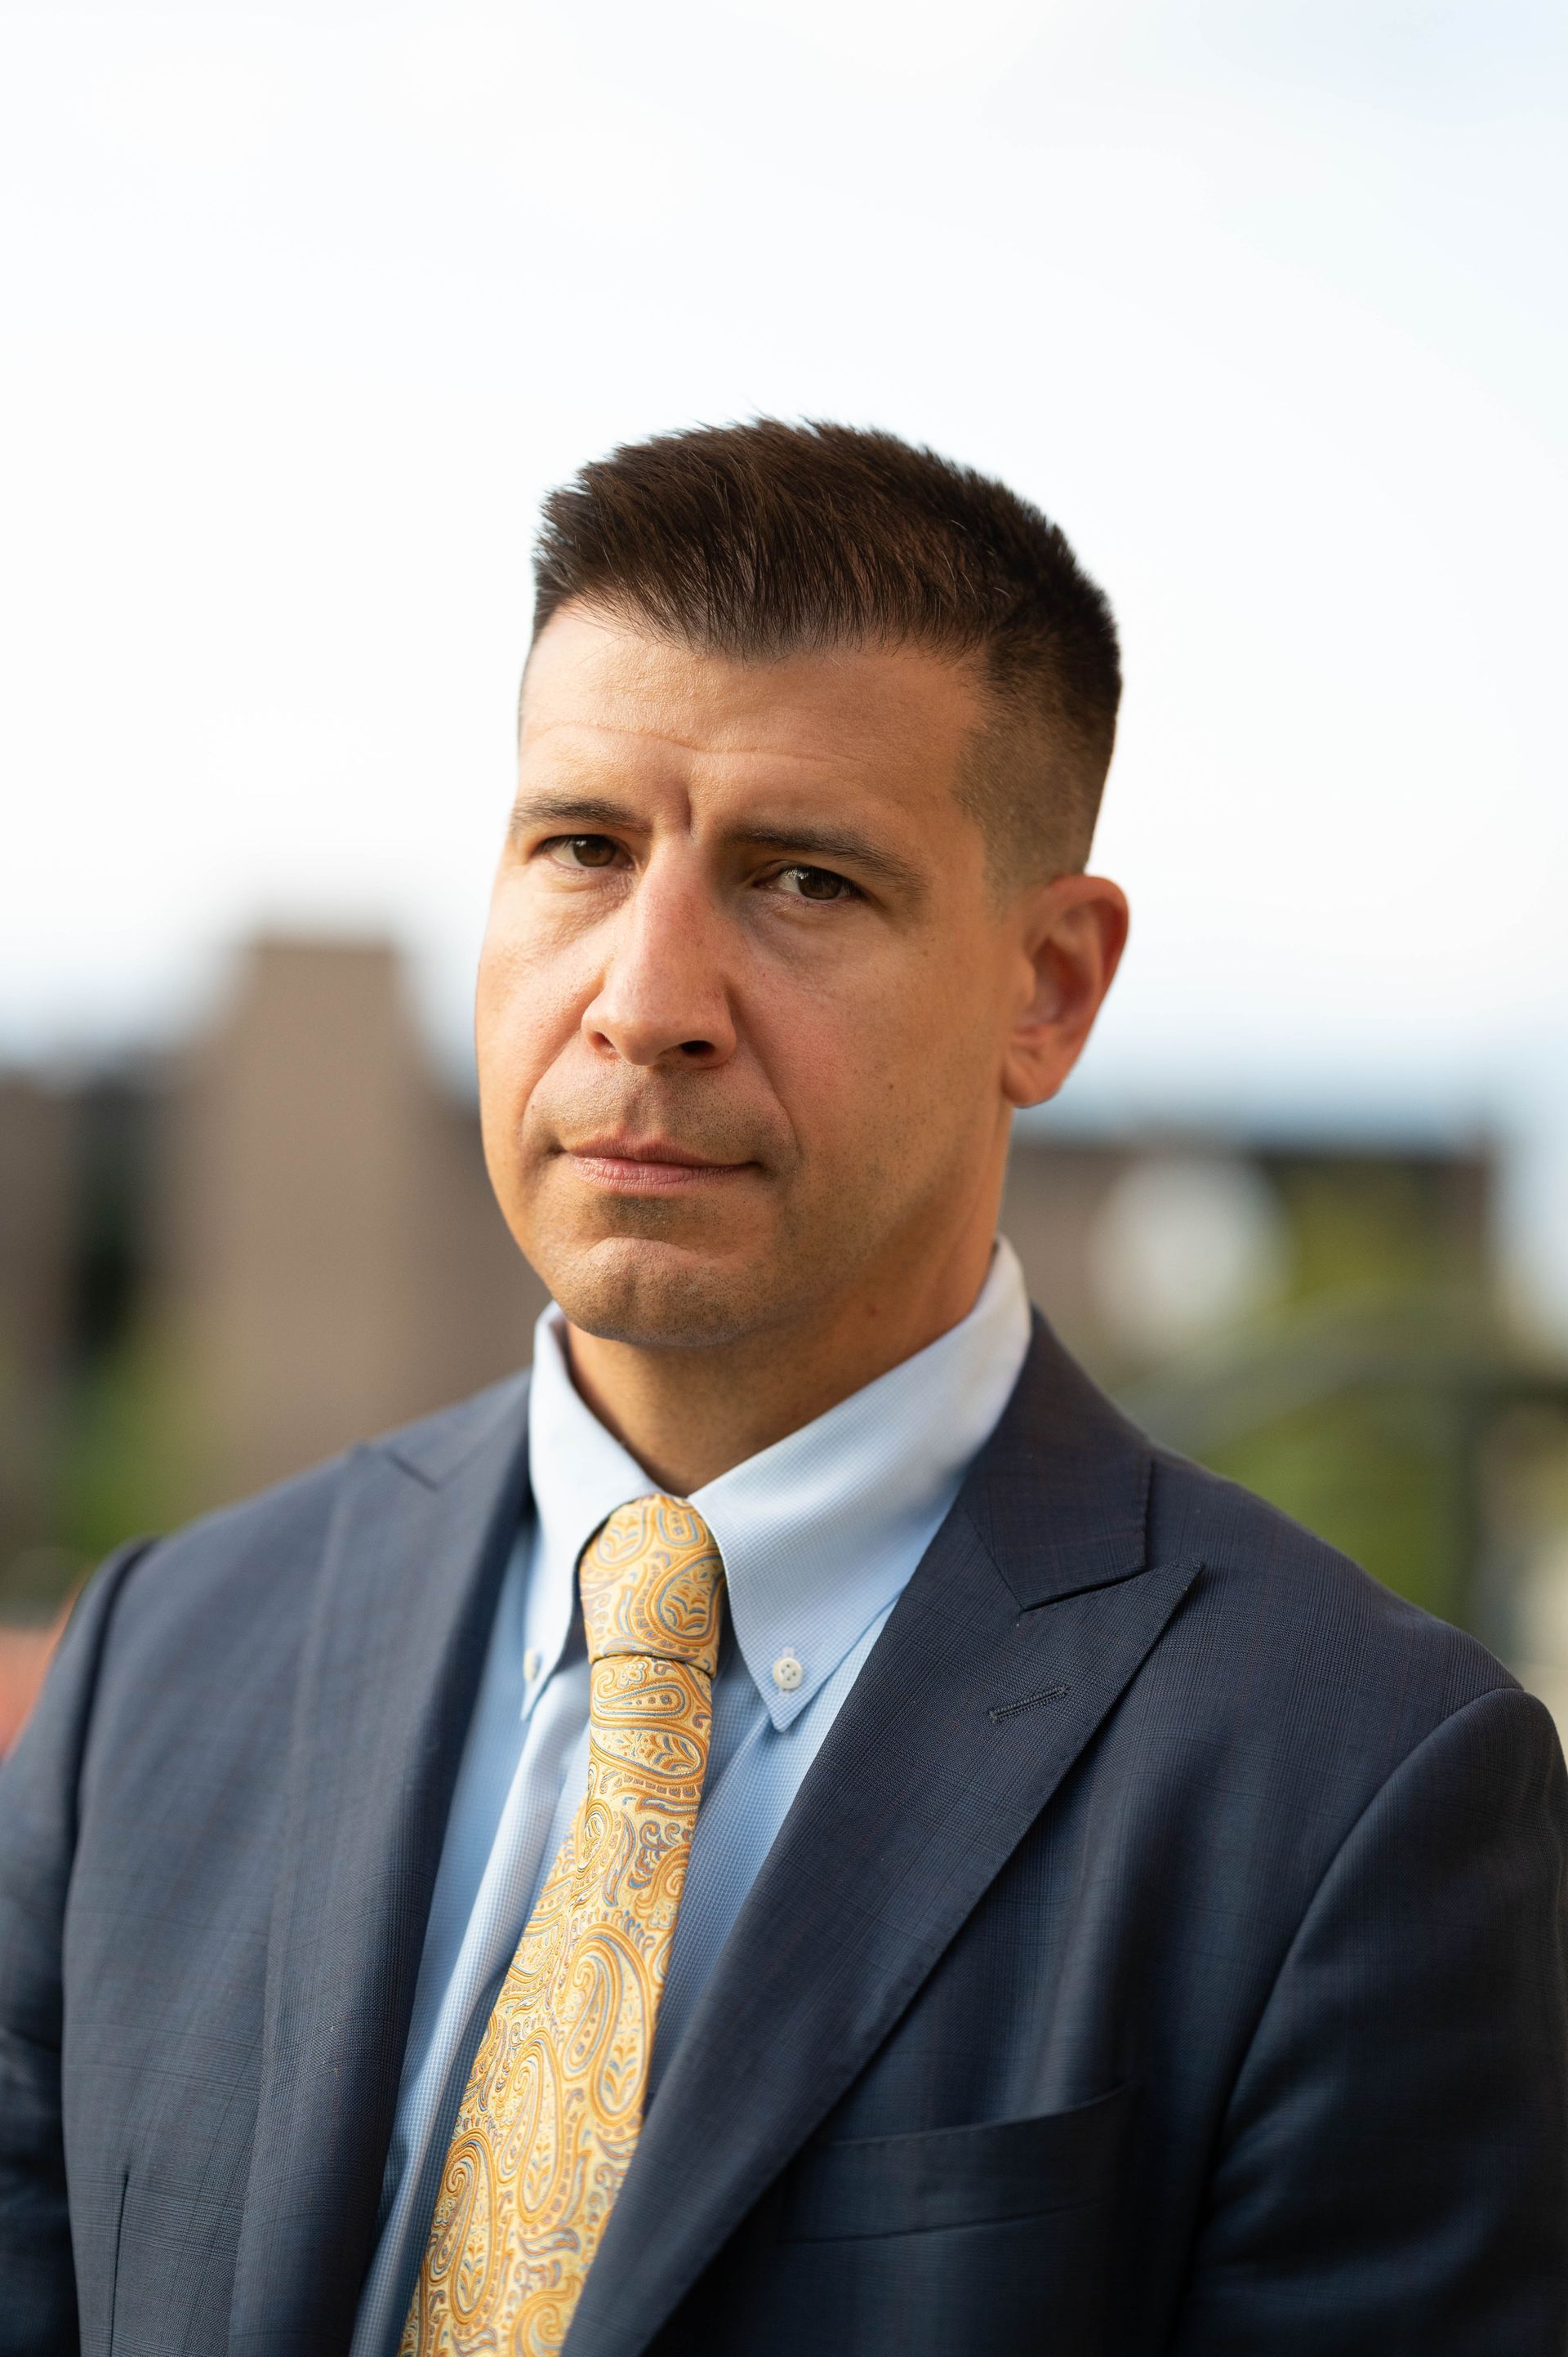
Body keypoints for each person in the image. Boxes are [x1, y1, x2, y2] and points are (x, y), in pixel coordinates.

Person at [1, 420, 1563, 2357]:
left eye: (804, 880)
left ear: (1051, 988)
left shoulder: (1355, 1800)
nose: (646, 996)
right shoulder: (161, 1665)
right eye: (581, 847)